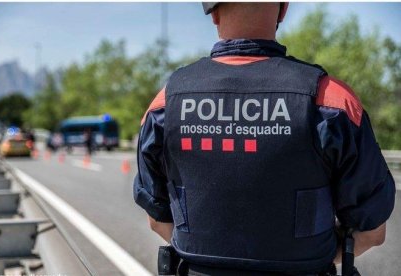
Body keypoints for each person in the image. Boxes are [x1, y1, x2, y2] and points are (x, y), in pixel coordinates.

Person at [134, 3, 396, 275]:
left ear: (213, 13)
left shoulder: (166, 103)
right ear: (283, 10)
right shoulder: (333, 101)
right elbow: (372, 232)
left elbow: (157, 219)